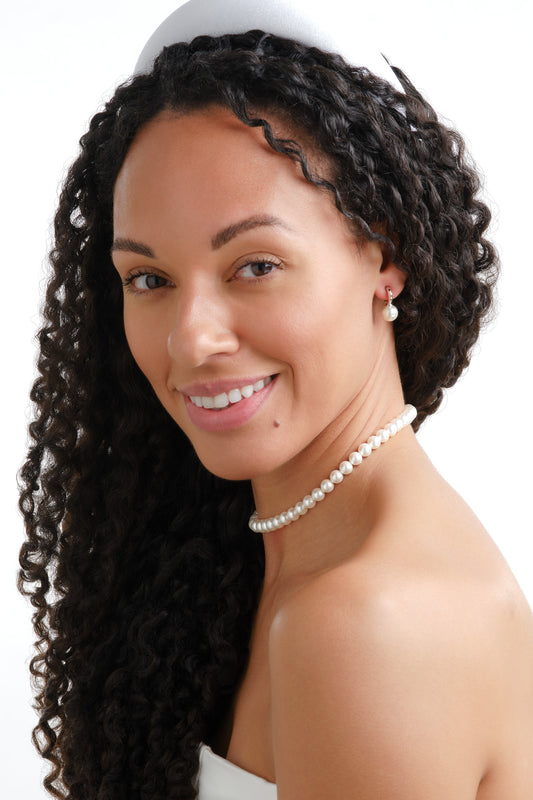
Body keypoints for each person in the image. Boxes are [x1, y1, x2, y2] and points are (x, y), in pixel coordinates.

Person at [17, 0, 533, 798]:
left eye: (254, 265)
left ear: (384, 254)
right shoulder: (262, 554)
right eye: (148, 279)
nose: (191, 340)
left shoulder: (366, 626)